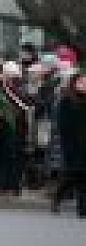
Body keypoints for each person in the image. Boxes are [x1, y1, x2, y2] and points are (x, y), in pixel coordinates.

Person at [51, 72, 86, 217]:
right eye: (81, 82)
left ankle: (82, 208)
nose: (84, 85)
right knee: (73, 175)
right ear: (74, 83)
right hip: (72, 144)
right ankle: (58, 197)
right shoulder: (67, 100)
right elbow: (63, 125)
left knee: (83, 176)